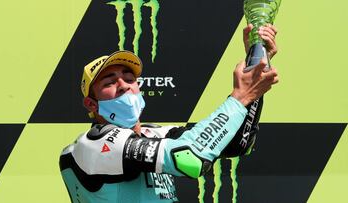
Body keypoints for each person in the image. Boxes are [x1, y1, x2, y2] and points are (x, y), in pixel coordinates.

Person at [59, 24, 279, 203]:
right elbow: (190, 158)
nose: (124, 85)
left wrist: (256, 63)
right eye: (109, 82)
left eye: (129, 78)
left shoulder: (154, 134)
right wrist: (240, 97)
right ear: (91, 104)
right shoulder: (91, 146)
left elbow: (237, 142)